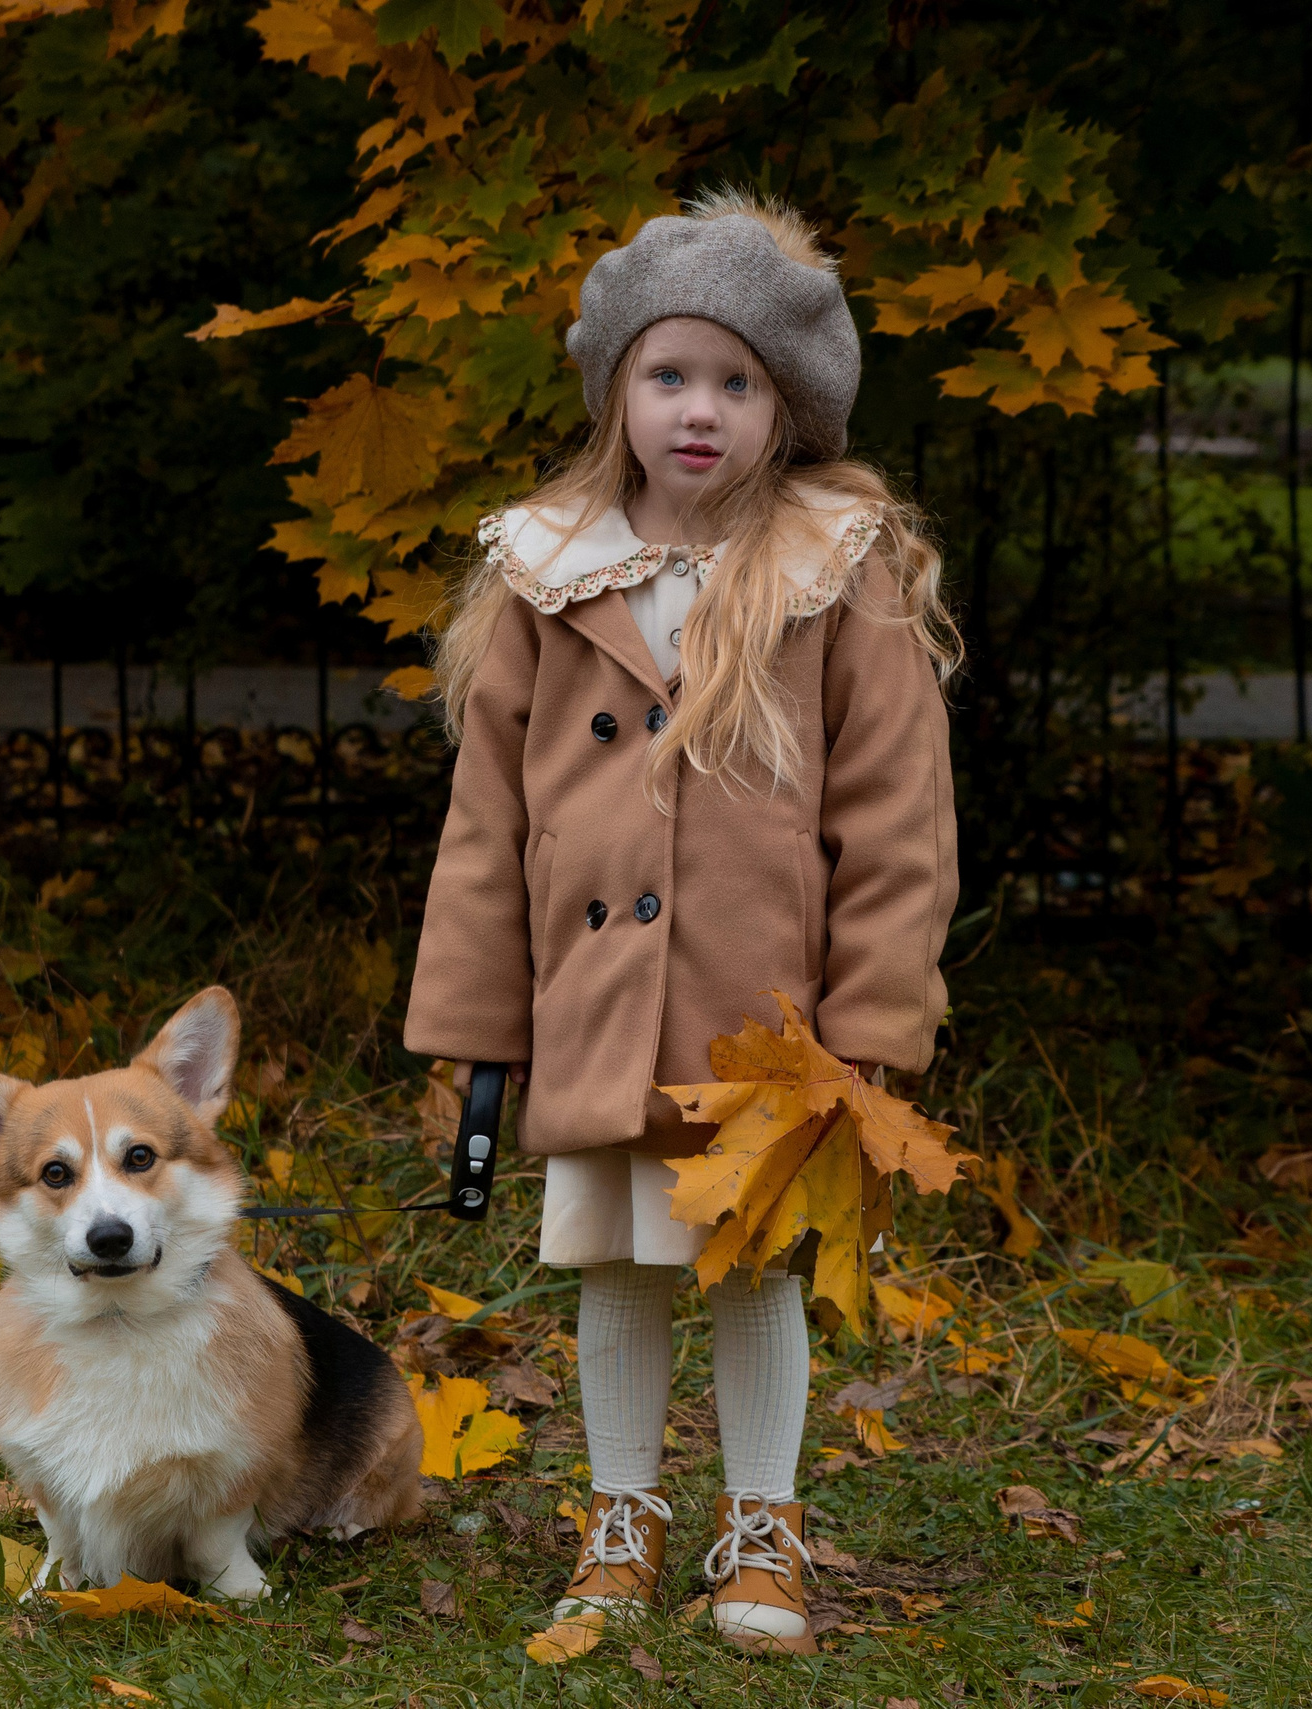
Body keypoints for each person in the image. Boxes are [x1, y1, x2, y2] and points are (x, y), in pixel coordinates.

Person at [404, 191, 961, 1655]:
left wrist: (870, 1029)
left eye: (736, 381)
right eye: (669, 376)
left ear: (789, 404)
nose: (698, 411)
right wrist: (472, 1036)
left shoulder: (840, 568)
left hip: (761, 1018)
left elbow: (896, 822)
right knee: (619, 1264)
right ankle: (621, 1514)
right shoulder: (550, 566)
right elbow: (487, 829)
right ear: (617, 391)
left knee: (755, 1267)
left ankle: (764, 1525)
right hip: (599, 1000)